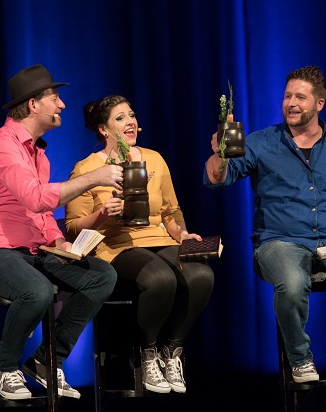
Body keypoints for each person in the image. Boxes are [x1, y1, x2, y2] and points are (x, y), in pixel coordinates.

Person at [203, 66, 326, 383]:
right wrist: (219, 156)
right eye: (287, 96)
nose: (291, 103)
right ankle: (300, 358)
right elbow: (218, 178)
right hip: (279, 242)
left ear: (319, 104)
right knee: (292, 285)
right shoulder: (260, 142)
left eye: (300, 97)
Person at [0, 64, 122, 400]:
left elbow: (42, 213)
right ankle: (6, 369)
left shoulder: (38, 153)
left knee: (101, 275)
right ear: (33, 104)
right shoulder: (1, 145)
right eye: (55, 98)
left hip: (31, 252)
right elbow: (35, 197)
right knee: (37, 290)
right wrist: (94, 178)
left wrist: (60, 242)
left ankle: (49, 361)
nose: (62, 105)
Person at [64, 95, 215, 394]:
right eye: (120, 118)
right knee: (159, 278)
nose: (130, 121)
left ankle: (171, 352)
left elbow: (171, 212)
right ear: (104, 129)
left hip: (160, 240)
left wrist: (182, 234)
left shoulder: (154, 159)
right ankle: (146, 355)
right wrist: (101, 214)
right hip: (116, 246)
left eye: (131, 115)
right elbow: (71, 228)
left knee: (201, 275)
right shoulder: (88, 168)